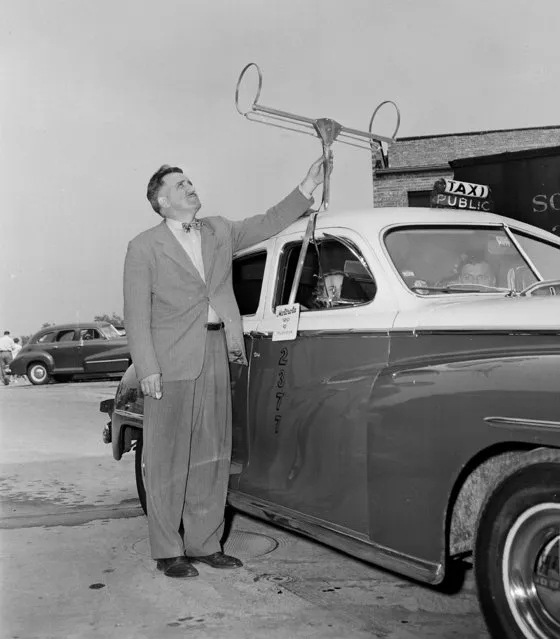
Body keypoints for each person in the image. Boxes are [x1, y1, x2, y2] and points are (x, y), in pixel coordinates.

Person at [124, 156, 330, 579]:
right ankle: (168, 549)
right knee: (166, 460)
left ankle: (204, 544)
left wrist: (306, 185)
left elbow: (270, 220)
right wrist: (146, 367)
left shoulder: (218, 230)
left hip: (217, 352)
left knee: (212, 455)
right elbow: (135, 314)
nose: (191, 187)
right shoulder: (143, 246)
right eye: (181, 185)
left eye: (190, 181)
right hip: (168, 362)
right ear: (162, 201)